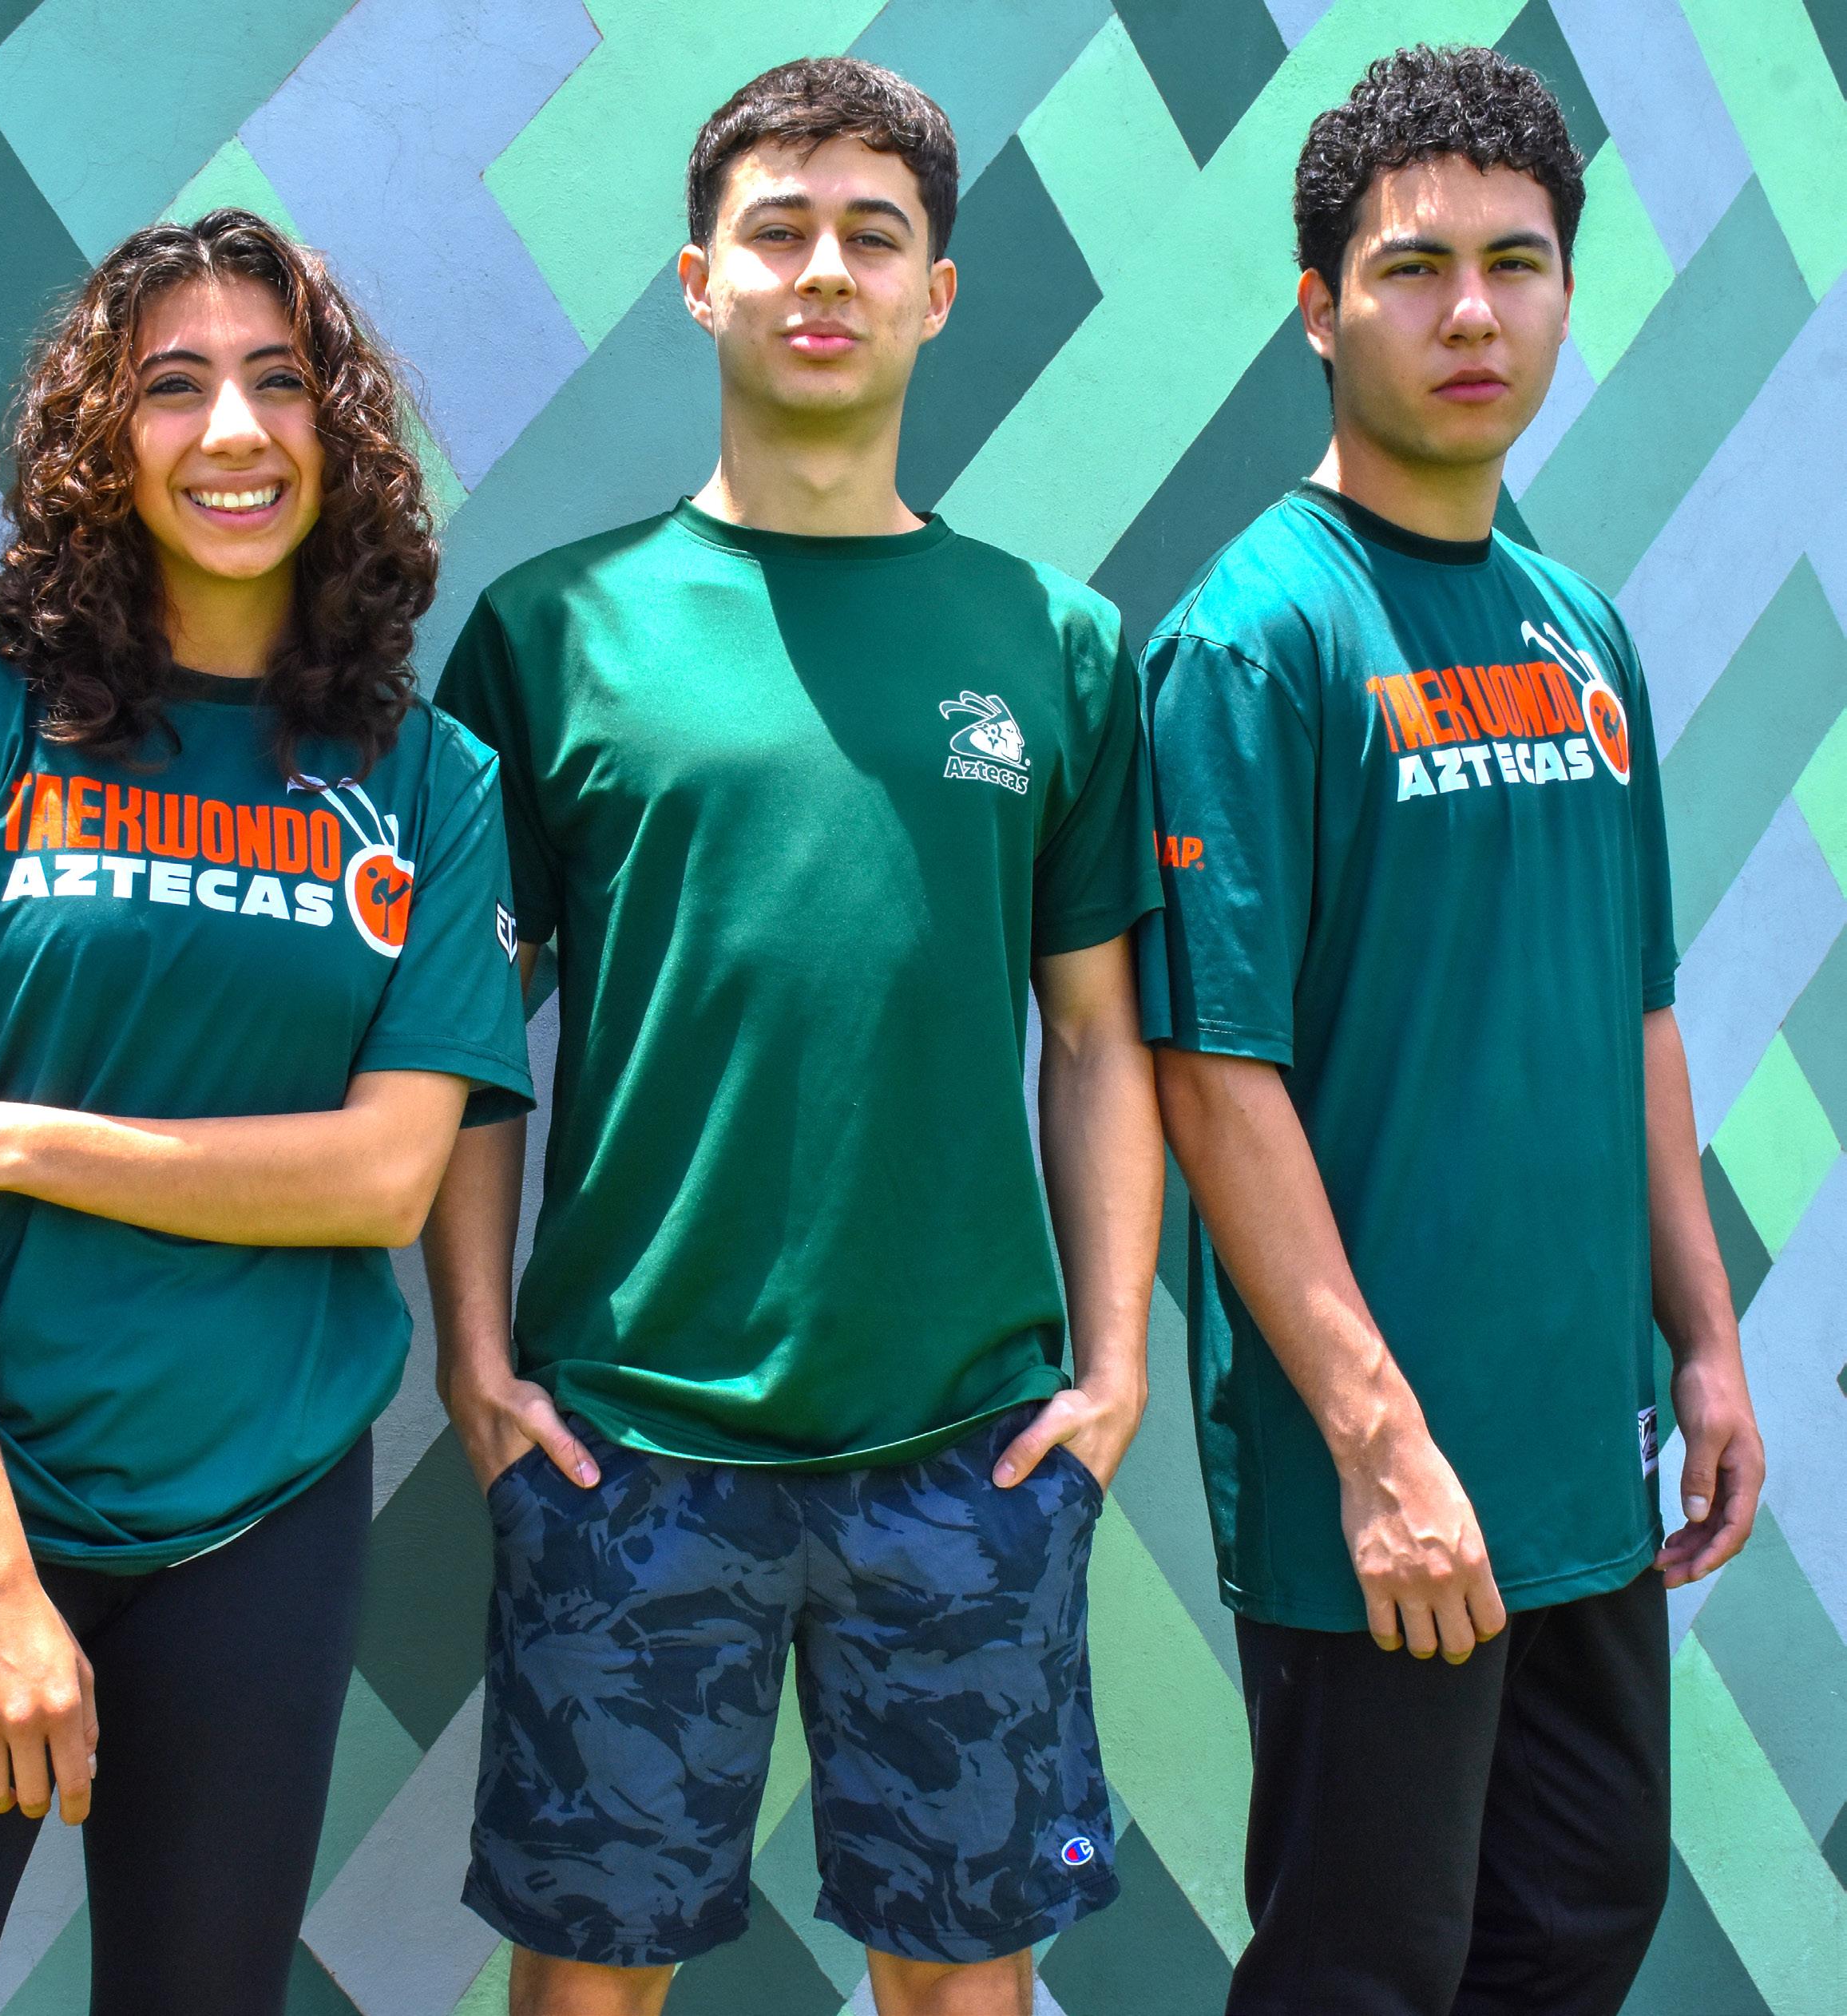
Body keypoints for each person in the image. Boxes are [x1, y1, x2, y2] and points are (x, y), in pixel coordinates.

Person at [425, 57, 1163, 2016]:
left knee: (959, 1984)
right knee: (589, 1983)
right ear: (699, 282)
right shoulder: (551, 633)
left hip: (969, 1447)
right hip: (627, 1445)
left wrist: (1111, 1373)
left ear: (936, 292)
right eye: (778, 232)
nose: (823, 271)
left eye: (872, 236)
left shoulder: (1052, 643)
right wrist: (477, 1360)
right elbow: (466, 1040)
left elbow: (1098, 1040)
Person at [0, 210, 532, 2015]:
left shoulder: (432, 780)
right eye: (173, 387)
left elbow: (382, 1176)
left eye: (279, 381)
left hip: (263, 1496)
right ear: (101, 441)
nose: (232, 430)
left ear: (339, 433)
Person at [1139, 47, 1765, 2016]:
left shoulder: (1582, 630)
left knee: (1573, 1929)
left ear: (1568, 294)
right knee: (1366, 1970)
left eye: (1515, 264)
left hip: (1582, 1454)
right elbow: (1210, 1077)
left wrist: (1704, 1339)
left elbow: (1634, 1012)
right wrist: (1378, 1441)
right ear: (1318, 311)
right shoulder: (1253, 638)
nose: (1471, 313)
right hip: (1390, 1488)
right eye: (1413, 269)